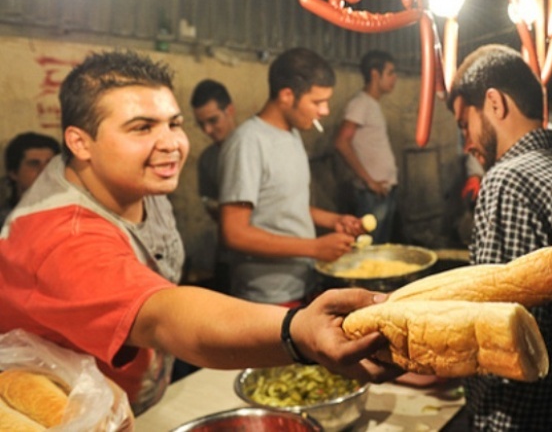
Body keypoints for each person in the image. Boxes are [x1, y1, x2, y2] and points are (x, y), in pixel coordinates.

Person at [0, 51, 394, 416]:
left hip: (134, 400)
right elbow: (165, 316)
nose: (171, 143)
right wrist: (297, 331)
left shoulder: (135, 184)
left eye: (174, 124)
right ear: (80, 142)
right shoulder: (59, 237)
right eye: (141, 128)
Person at [447, 44, 552, 431]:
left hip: (517, 416)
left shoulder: (507, 179)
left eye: (463, 125)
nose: (467, 143)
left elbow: (497, 325)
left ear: (494, 103)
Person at [218, 47, 364, 306]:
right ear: (287, 95)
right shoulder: (249, 143)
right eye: (317, 102)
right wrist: (315, 248)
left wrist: (333, 220)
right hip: (266, 296)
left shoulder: (292, 135)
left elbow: (283, 204)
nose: (325, 111)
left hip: (301, 282)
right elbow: (235, 232)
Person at [334, 50, 398, 244]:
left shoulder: (372, 105)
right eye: (391, 72)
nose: (395, 78)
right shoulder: (360, 103)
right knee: (370, 247)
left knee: (380, 246)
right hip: (372, 193)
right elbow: (341, 142)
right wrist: (369, 181)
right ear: (375, 74)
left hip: (383, 189)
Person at [190, 78, 237, 220]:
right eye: (201, 124)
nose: (207, 130)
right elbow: (209, 203)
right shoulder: (207, 159)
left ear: (230, 110)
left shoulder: (258, 148)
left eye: (213, 120)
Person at [0, 132, 60, 226]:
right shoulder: (4, 222)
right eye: (34, 164)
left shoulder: (72, 216)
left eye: (50, 164)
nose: (44, 171)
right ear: (13, 173)